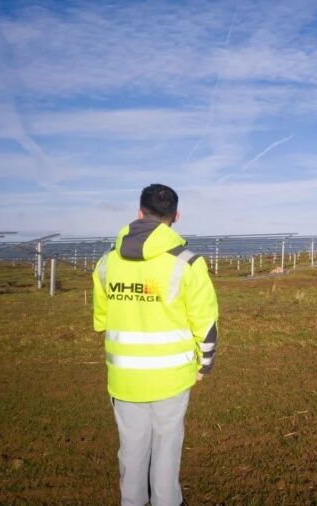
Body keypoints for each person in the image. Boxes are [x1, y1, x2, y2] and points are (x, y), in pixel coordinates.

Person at [93, 184, 218, 506]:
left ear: (139, 213)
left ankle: (132, 501)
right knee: (167, 443)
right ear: (175, 216)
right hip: (172, 376)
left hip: (124, 377)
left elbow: (101, 319)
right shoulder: (188, 262)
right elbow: (204, 321)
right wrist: (204, 363)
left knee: (131, 446)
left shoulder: (107, 262)